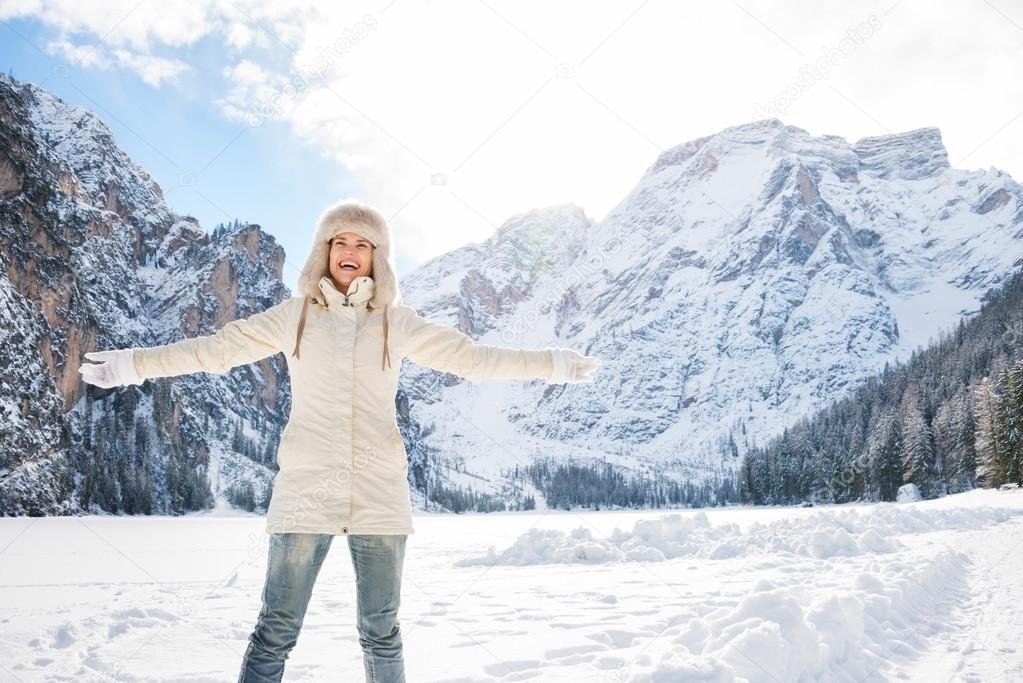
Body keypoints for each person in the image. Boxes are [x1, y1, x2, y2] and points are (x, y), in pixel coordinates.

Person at [79, 199, 602, 682]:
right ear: (325, 252)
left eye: (362, 244)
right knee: (275, 630)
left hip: (379, 497)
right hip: (306, 494)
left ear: (377, 258)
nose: (350, 252)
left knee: (381, 633)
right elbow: (216, 350)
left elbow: (476, 360)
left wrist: (552, 364)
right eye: (340, 242)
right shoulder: (296, 317)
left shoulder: (398, 324)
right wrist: (130, 365)